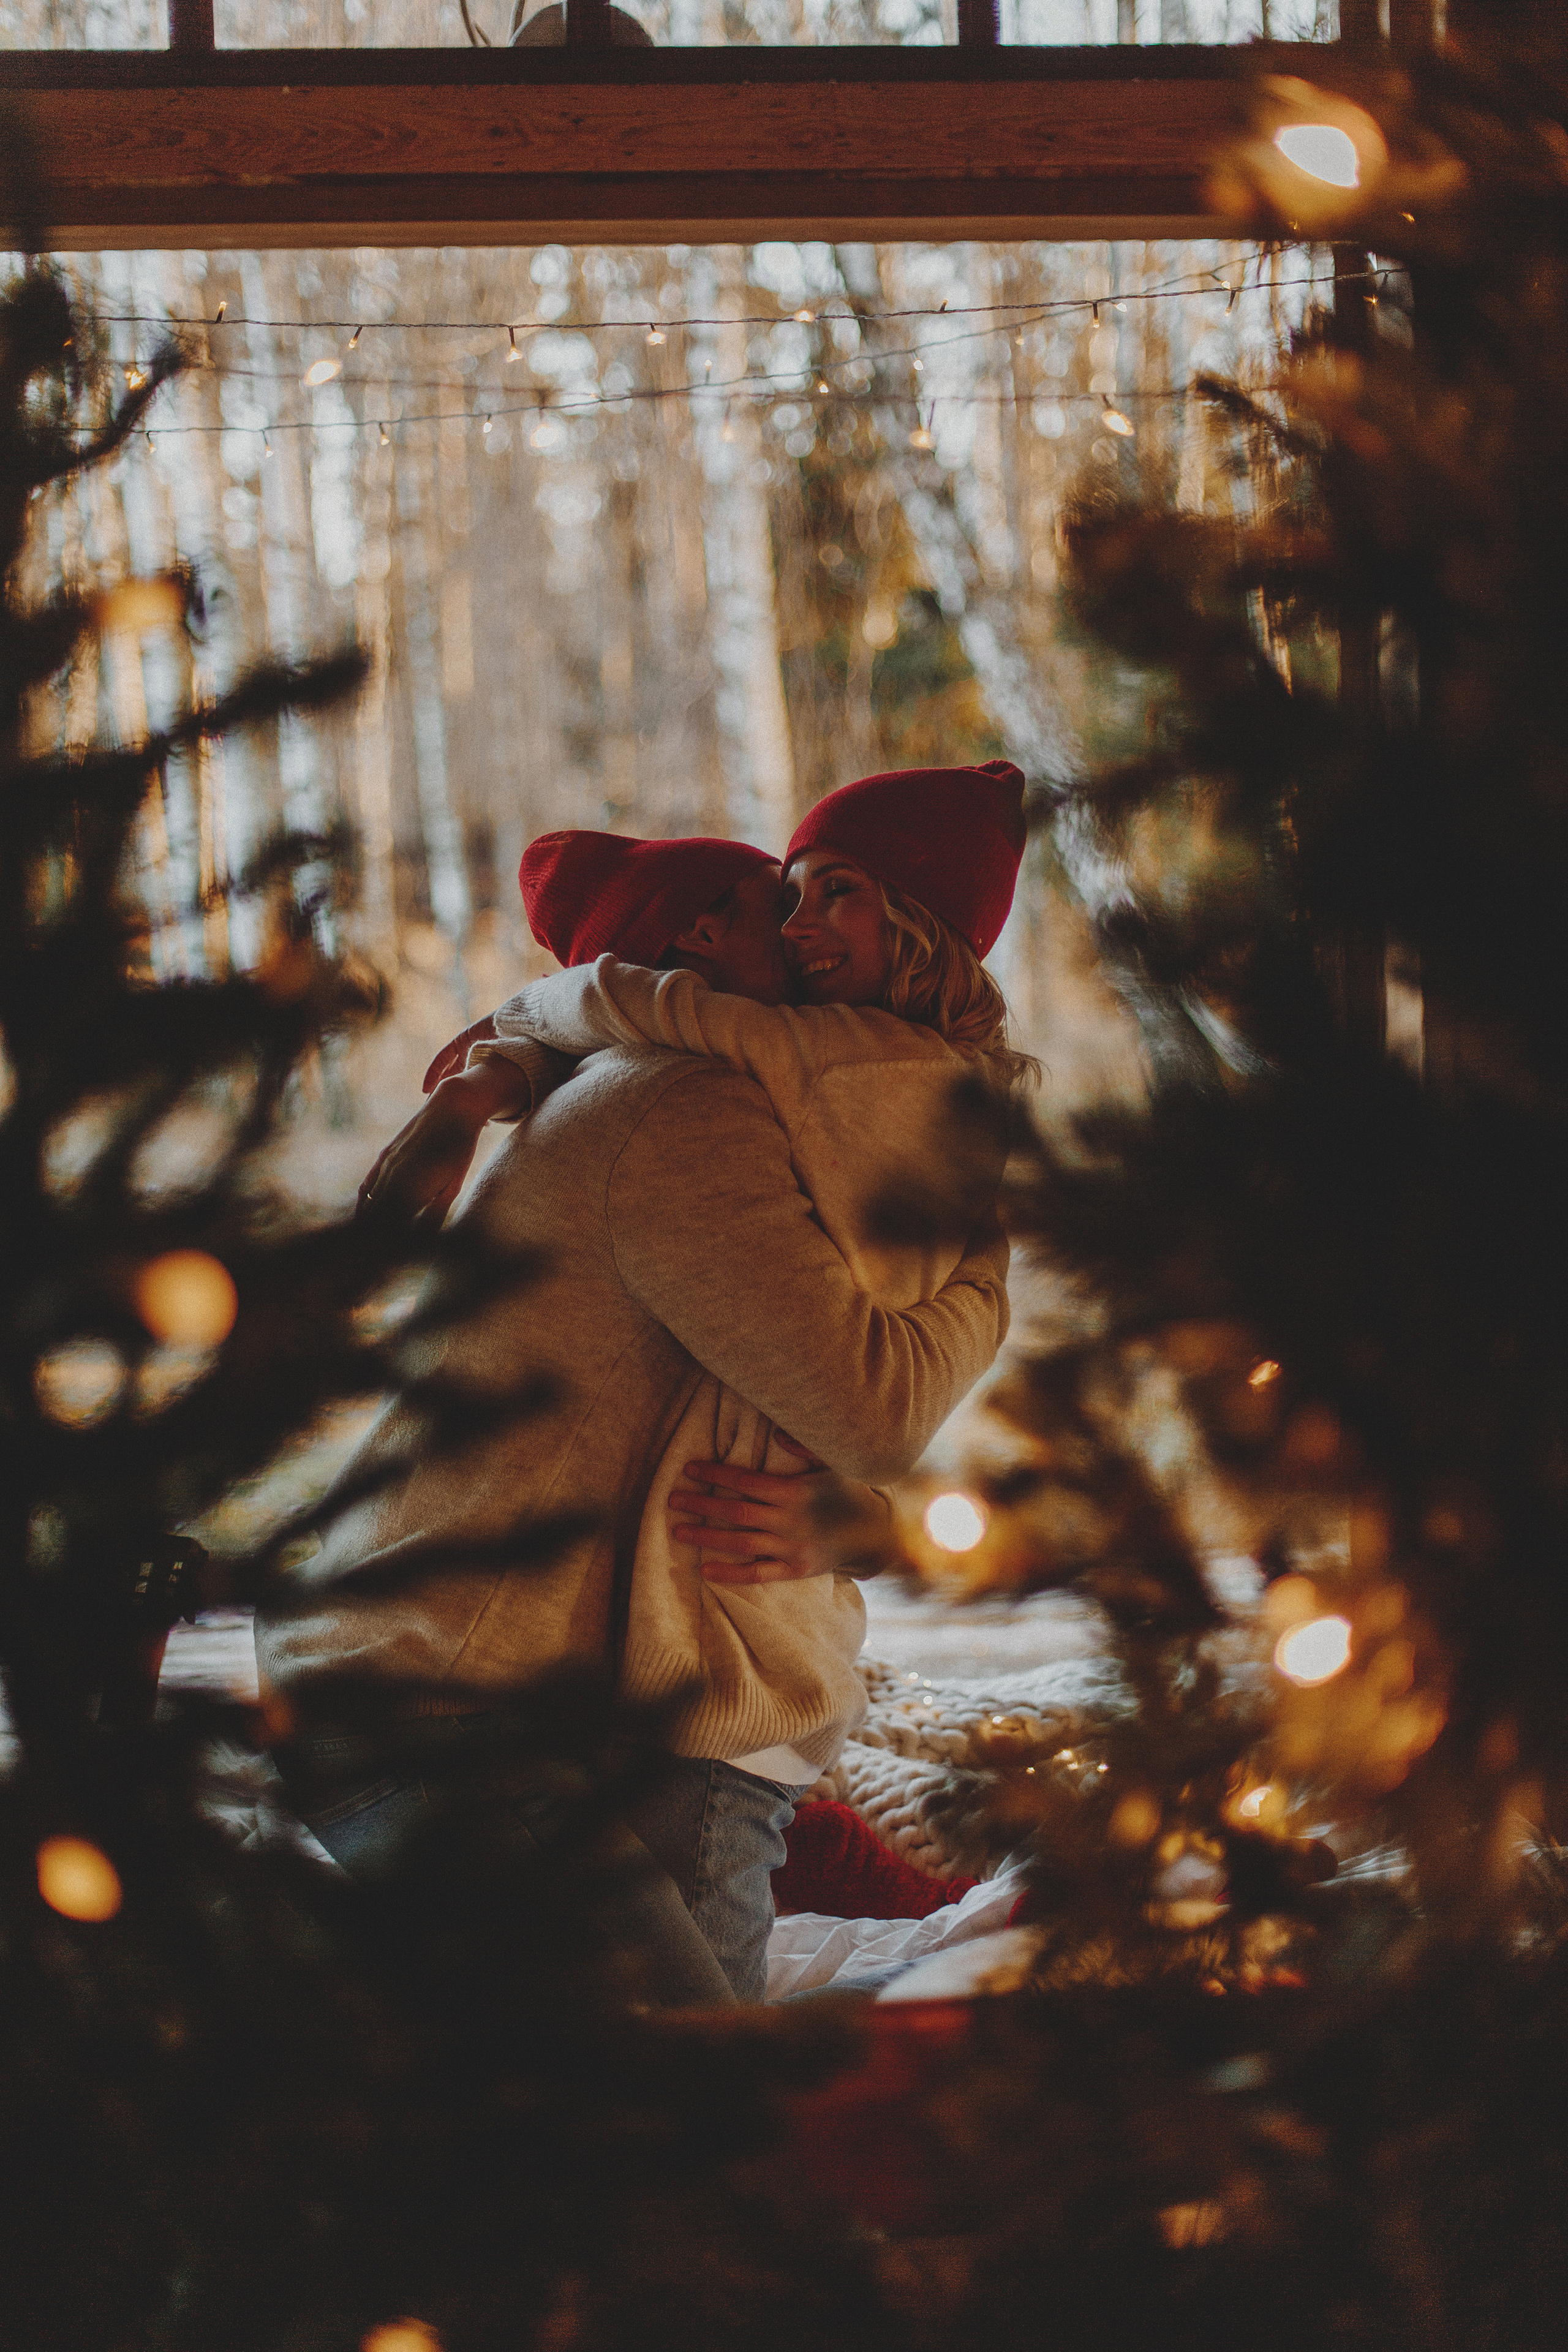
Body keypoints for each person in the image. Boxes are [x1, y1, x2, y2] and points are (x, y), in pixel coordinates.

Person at [257, 812, 1013, 2007]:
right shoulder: (680, 1112)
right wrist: (986, 1277)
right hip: (447, 1712)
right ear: (691, 949)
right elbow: (870, 1404)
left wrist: (860, 1521)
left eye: (821, 895)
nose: (786, 925)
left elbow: (790, 1398)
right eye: (778, 899)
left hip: (578, 1703)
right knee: (698, 2123)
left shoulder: (730, 1105)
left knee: (649, 2127)